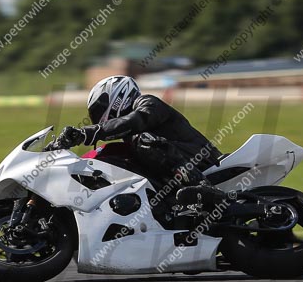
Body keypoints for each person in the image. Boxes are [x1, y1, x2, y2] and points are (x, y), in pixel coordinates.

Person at [46, 75, 224, 214]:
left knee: (144, 141)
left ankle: (202, 186)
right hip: (177, 163)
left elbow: (134, 121)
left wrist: (88, 133)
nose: (98, 116)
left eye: (100, 108)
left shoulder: (148, 103)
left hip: (202, 160)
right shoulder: (130, 136)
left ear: (117, 96)